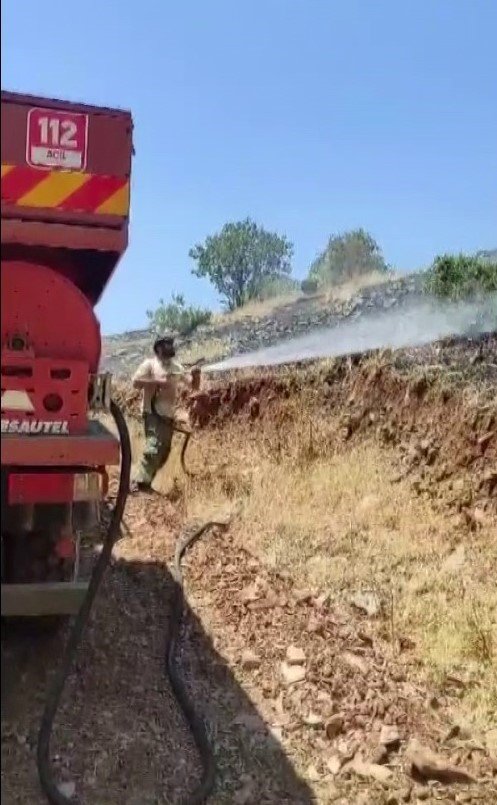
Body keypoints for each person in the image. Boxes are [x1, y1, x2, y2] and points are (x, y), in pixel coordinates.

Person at [130, 334, 200, 492]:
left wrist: (196, 376)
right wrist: (158, 382)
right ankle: (137, 482)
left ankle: (146, 483)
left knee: (164, 452)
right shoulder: (150, 365)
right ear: (158, 348)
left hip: (168, 416)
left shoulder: (176, 367)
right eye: (167, 344)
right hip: (152, 413)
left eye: (171, 344)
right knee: (153, 448)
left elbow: (193, 387)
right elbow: (135, 382)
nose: (170, 346)